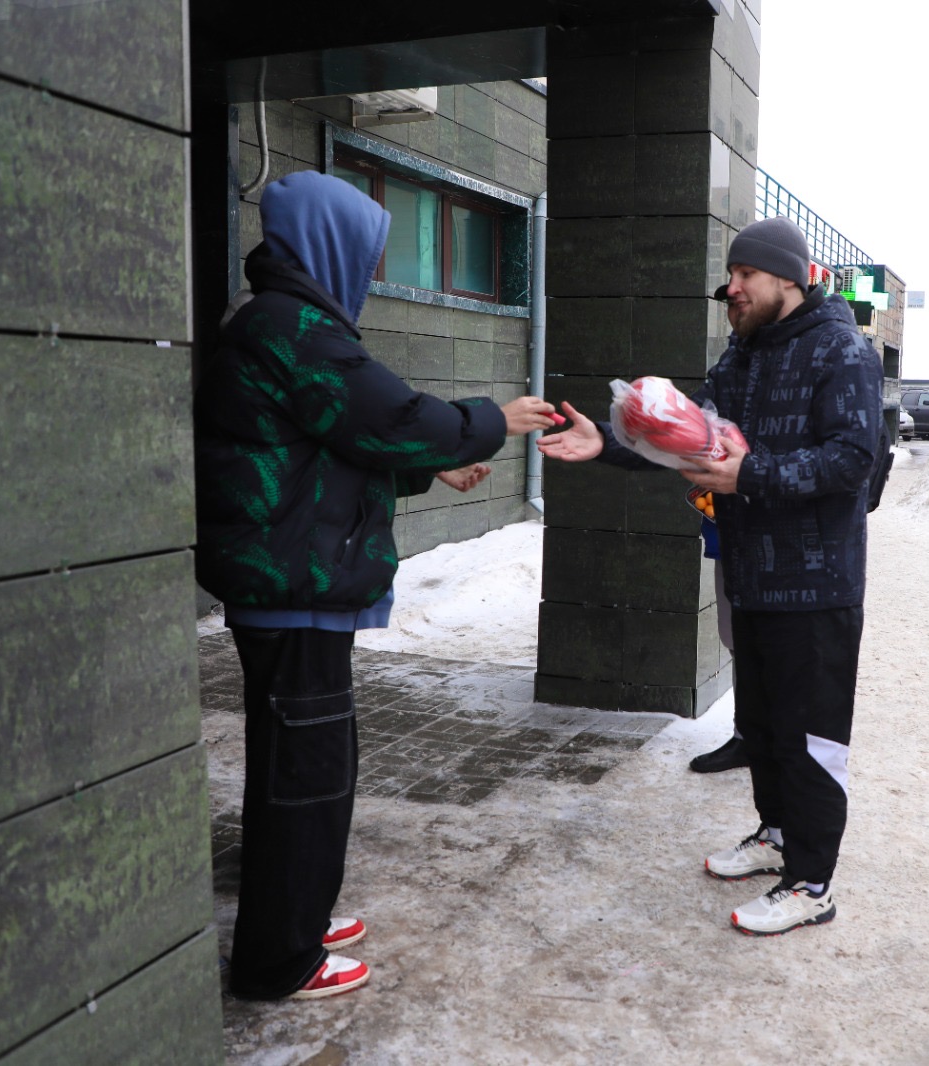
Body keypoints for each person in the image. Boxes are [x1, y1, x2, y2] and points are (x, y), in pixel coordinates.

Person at [195, 170, 556, 1000]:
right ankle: (279, 959)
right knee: (305, 774)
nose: (371, 265)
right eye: (368, 250)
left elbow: (319, 455)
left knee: (308, 763)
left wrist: (436, 471)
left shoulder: (287, 326)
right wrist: (496, 419)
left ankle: (298, 917)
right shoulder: (292, 328)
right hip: (293, 593)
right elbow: (389, 417)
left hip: (295, 586)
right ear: (331, 246)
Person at [538, 216, 883, 935]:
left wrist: (749, 473)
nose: (731, 288)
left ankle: (813, 881)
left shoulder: (841, 349)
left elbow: (855, 461)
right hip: (751, 575)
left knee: (809, 737)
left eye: (745, 275)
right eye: (732, 275)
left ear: (787, 277)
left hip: (816, 586)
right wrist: (609, 438)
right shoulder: (743, 355)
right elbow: (684, 438)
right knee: (760, 725)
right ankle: (777, 834)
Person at [688, 504, 748, 774]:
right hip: (727, 529)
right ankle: (746, 738)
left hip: (785, 539)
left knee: (780, 645)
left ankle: (783, 740)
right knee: (735, 638)